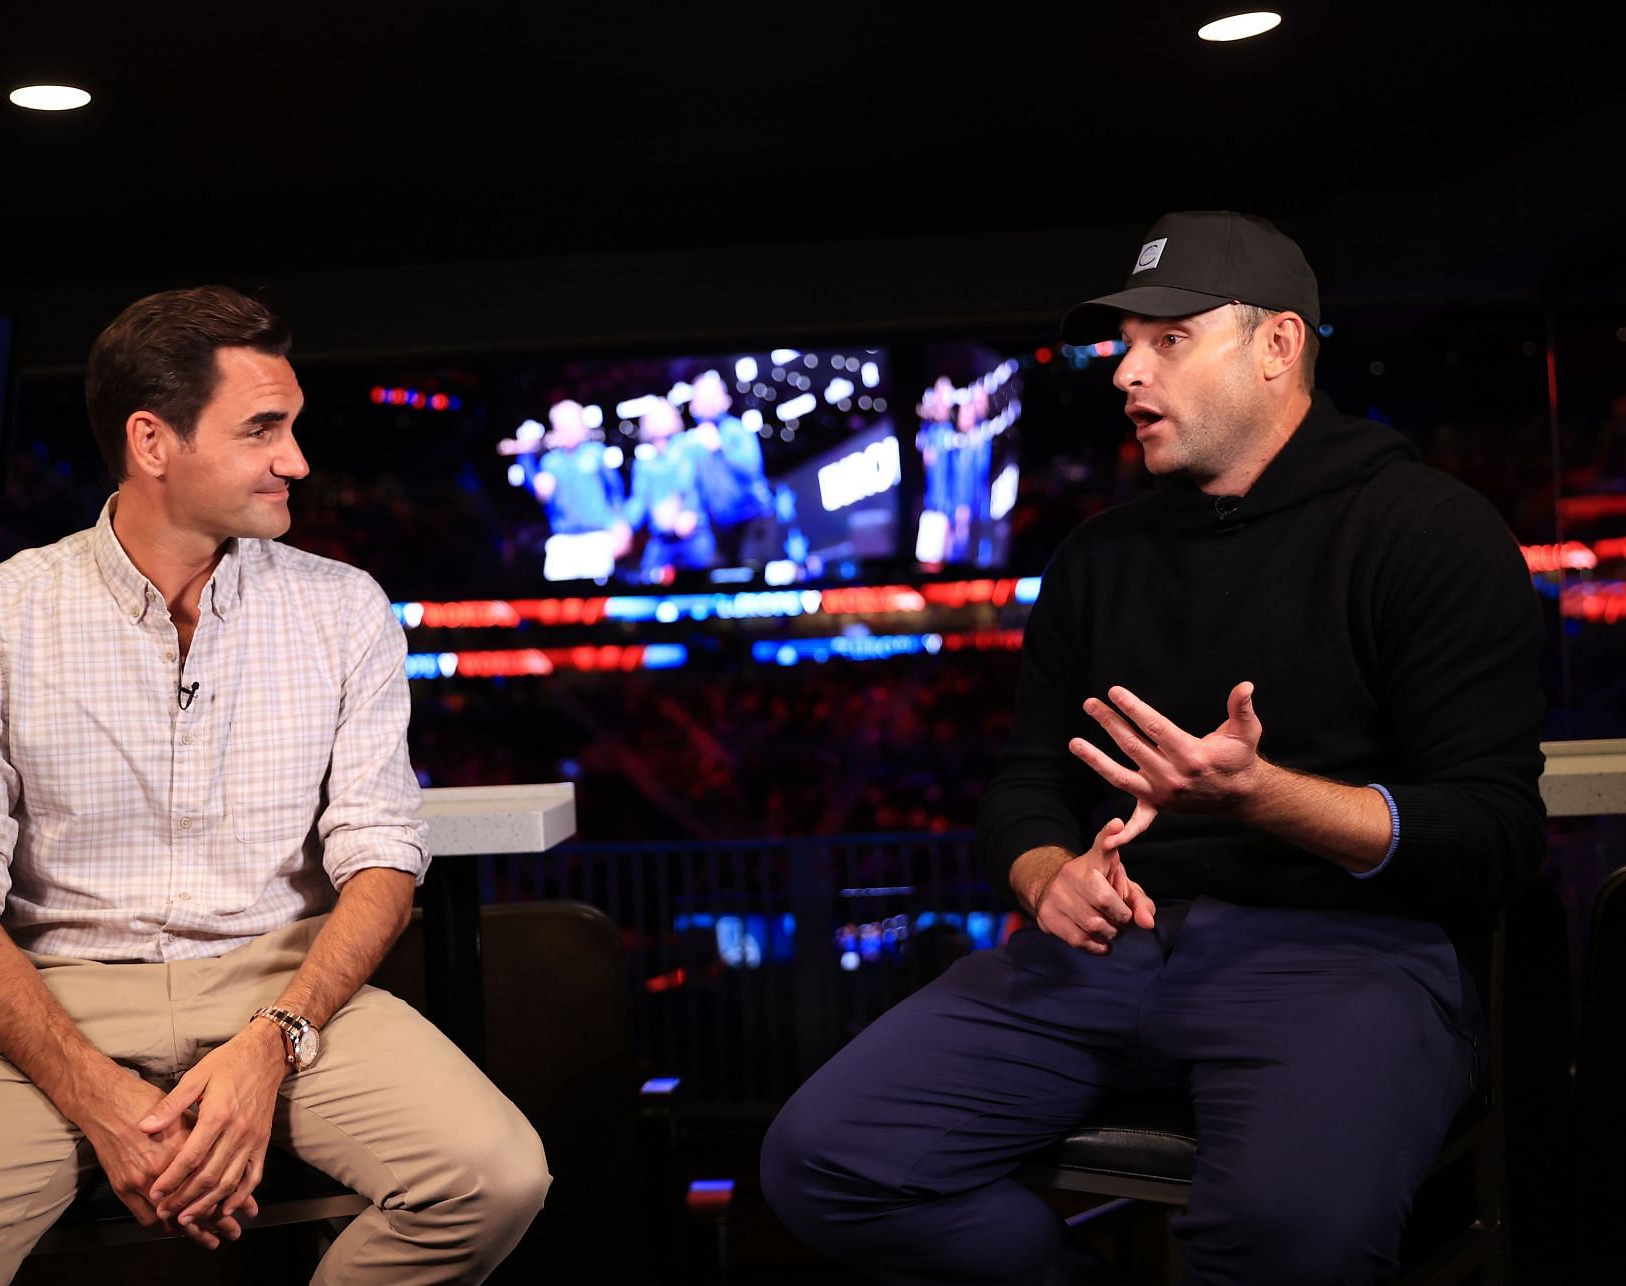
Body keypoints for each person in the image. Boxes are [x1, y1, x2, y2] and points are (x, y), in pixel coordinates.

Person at [760, 211, 1546, 1284]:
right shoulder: (1099, 559)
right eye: (1126, 343)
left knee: (1289, 1229)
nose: (1127, 371)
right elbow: (1028, 782)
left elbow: (1493, 835)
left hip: (1352, 955)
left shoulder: (1430, 533)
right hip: (1110, 954)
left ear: (1278, 346)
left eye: (1168, 339)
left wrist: (1262, 794)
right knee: (826, 1160)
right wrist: (1048, 877)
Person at [0, 286, 549, 1286]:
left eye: (292, 426)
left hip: (284, 987)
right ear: (152, 442)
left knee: (496, 1177)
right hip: (58, 999)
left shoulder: (344, 610)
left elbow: (382, 858)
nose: (295, 459)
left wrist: (276, 1041)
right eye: (263, 429)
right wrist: (93, 1092)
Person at [685, 370, 778, 565]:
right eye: (701, 397)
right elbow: (695, 488)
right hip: (721, 530)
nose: (707, 402)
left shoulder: (737, 430)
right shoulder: (694, 444)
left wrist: (721, 448)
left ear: (725, 400)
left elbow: (752, 470)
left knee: (753, 576)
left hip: (754, 521)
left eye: (712, 395)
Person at [531, 398, 630, 580]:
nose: (568, 429)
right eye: (562, 424)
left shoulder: (596, 453)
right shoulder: (549, 463)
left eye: (572, 422)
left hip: (597, 537)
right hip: (564, 540)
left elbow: (615, 491)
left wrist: (619, 524)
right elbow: (543, 502)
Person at [624, 397, 716, 576]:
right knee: (647, 580)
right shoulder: (644, 464)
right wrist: (624, 526)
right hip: (661, 539)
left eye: (663, 416)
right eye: (653, 418)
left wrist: (692, 513)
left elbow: (708, 486)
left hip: (695, 534)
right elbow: (638, 501)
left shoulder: (691, 449)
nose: (658, 423)